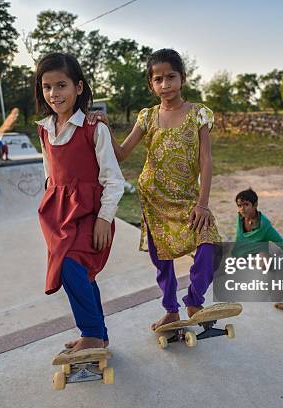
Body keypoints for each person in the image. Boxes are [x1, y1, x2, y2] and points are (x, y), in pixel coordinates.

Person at [95, 49, 222, 330]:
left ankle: (194, 299)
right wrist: (105, 127)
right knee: (161, 260)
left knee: (210, 248)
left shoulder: (199, 114)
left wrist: (203, 203)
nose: (165, 85)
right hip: (153, 200)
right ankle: (171, 310)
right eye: (158, 79)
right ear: (151, 84)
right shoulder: (147, 117)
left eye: (171, 77)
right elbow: (122, 153)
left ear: (183, 78)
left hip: (189, 199)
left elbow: (206, 159)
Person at [35, 52, 125, 352]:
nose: (54, 94)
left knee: (71, 267)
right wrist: (50, 206)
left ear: (79, 87)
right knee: (81, 273)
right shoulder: (44, 129)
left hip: (90, 213)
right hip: (58, 215)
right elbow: (49, 173)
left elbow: (114, 179)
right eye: (47, 87)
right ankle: (98, 333)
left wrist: (105, 219)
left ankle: (91, 334)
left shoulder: (92, 128)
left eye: (61, 85)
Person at [234, 188, 283, 259]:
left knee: (265, 261)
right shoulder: (239, 219)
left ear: (255, 205)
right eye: (239, 206)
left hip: (258, 255)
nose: (242, 209)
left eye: (246, 205)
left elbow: (282, 243)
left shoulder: (265, 227)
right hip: (240, 253)